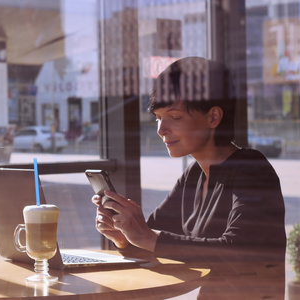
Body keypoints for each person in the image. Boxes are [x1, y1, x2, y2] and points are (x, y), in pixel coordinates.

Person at [93, 57, 286, 299]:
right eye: (158, 117)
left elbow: (239, 251)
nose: (161, 129)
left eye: (174, 117)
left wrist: (145, 236)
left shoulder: (252, 168)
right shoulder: (194, 174)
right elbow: (155, 241)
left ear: (213, 117)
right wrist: (124, 236)